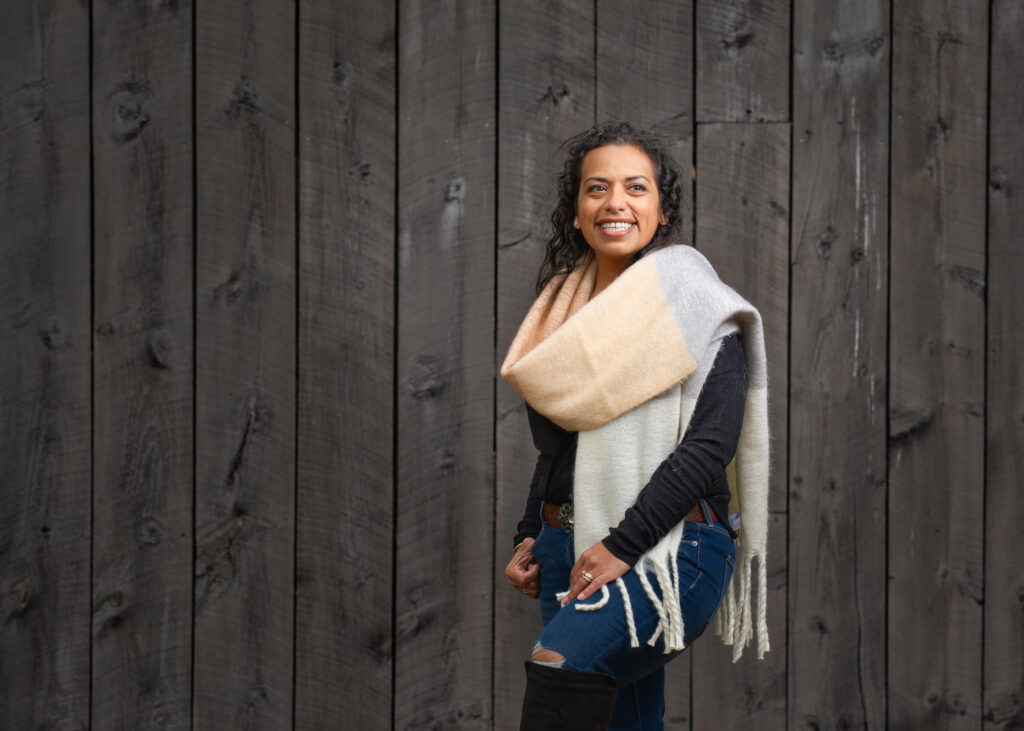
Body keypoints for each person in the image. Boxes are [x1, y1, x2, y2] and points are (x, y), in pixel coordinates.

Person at [501, 121, 771, 730]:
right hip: (565, 545)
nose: (615, 202)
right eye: (596, 188)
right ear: (577, 213)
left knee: (561, 666)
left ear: (661, 210)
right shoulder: (562, 318)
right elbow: (559, 448)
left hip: (671, 543)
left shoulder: (698, 305)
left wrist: (622, 545)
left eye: (636, 187)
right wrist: (529, 532)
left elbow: (708, 448)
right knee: (622, 722)